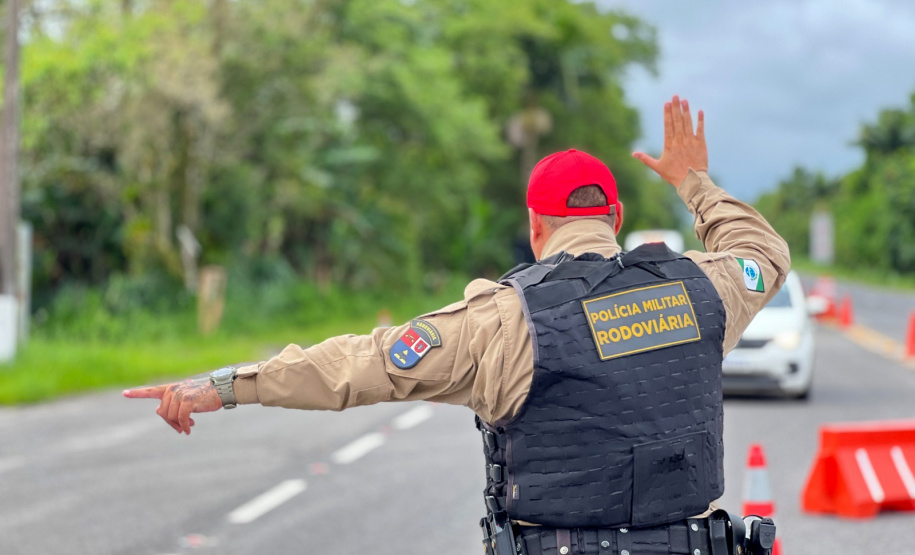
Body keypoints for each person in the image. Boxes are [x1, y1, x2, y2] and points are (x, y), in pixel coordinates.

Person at [125, 96, 790, 555]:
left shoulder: (500, 320)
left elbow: (358, 366)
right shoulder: (702, 290)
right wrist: (694, 182)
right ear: (613, 218)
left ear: (535, 227)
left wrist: (223, 385)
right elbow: (763, 255)